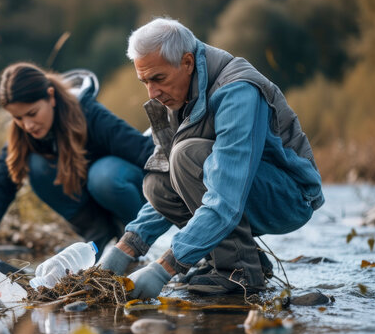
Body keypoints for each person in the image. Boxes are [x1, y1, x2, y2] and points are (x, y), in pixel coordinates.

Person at [98, 17, 324, 297]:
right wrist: (127, 247)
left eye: (158, 79)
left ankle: (239, 271)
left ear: (188, 62)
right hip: (242, 189)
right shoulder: (171, 98)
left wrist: (167, 266)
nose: (152, 93)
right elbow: (172, 189)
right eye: (144, 81)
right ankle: (232, 258)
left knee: (185, 156)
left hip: (289, 196)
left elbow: (226, 195)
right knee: (156, 184)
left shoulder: (237, 91)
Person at [0, 62, 155, 264]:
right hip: (94, 211)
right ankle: (98, 233)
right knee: (36, 166)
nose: (27, 125)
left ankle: (134, 240)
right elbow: (0, 183)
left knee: (103, 175)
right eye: (18, 118)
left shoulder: (90, 113)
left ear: (51, 96)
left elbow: (142, 150)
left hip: (125, 194)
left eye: (32, 113)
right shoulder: (22, 135)